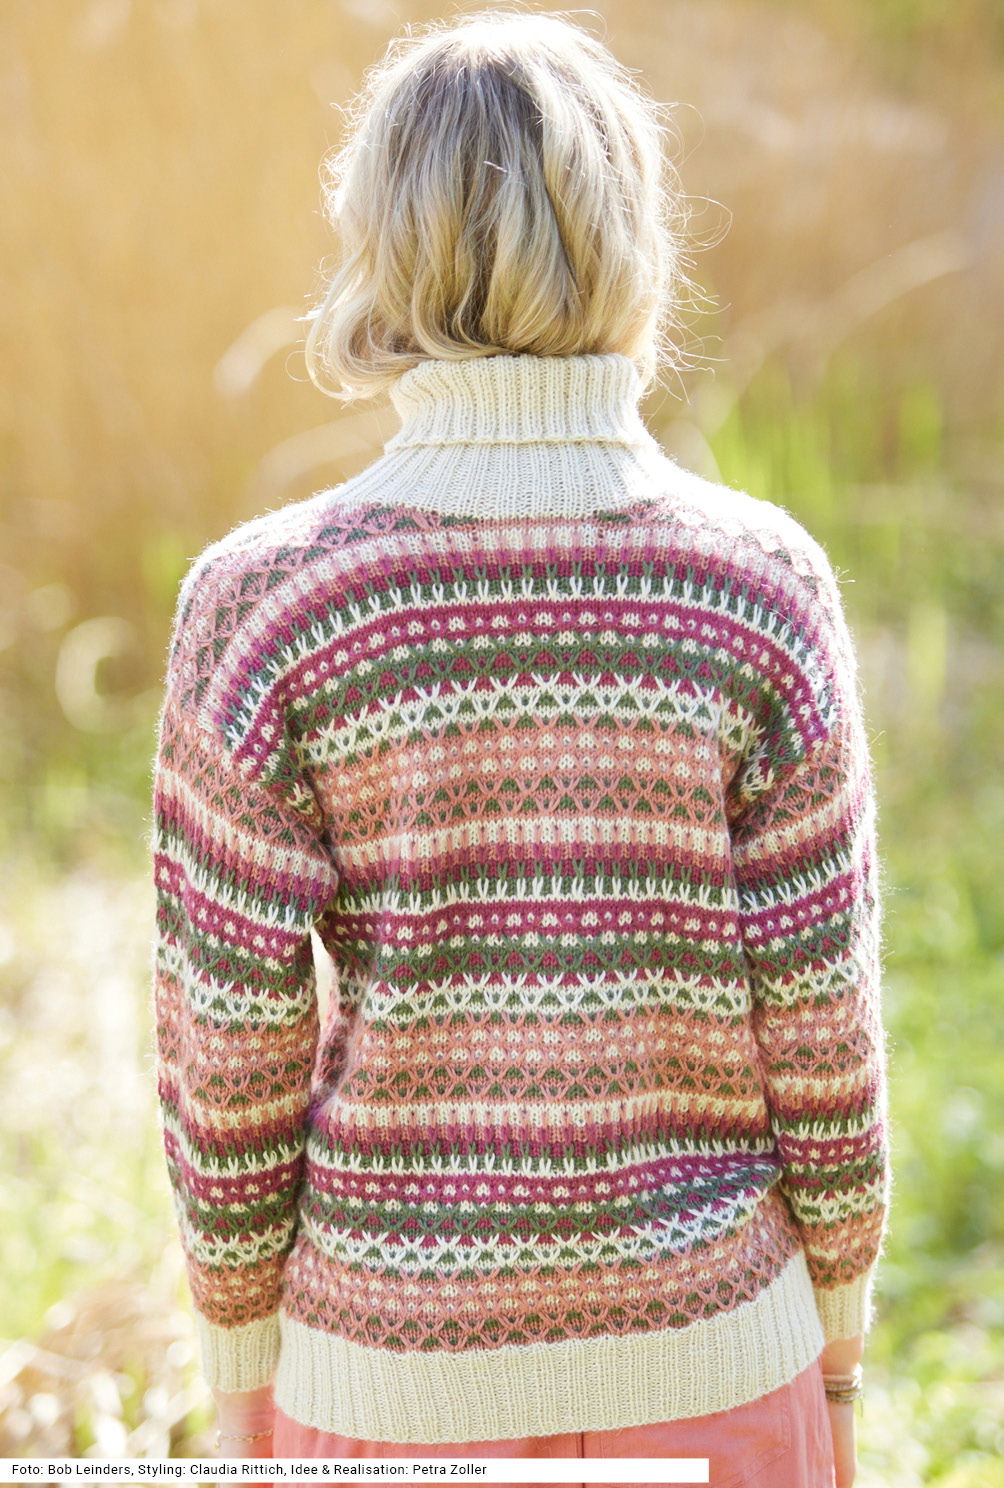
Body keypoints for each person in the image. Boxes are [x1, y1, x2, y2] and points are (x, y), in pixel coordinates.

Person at [150, 11, 890, 1485]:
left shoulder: (269, 601)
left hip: (390, 1383)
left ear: (380, 246)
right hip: (717, 1364)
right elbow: (823, 1021)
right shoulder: (756, 584)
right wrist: (841, 1336)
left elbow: (225, 1045)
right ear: (630, 236)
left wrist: (240, 1369)